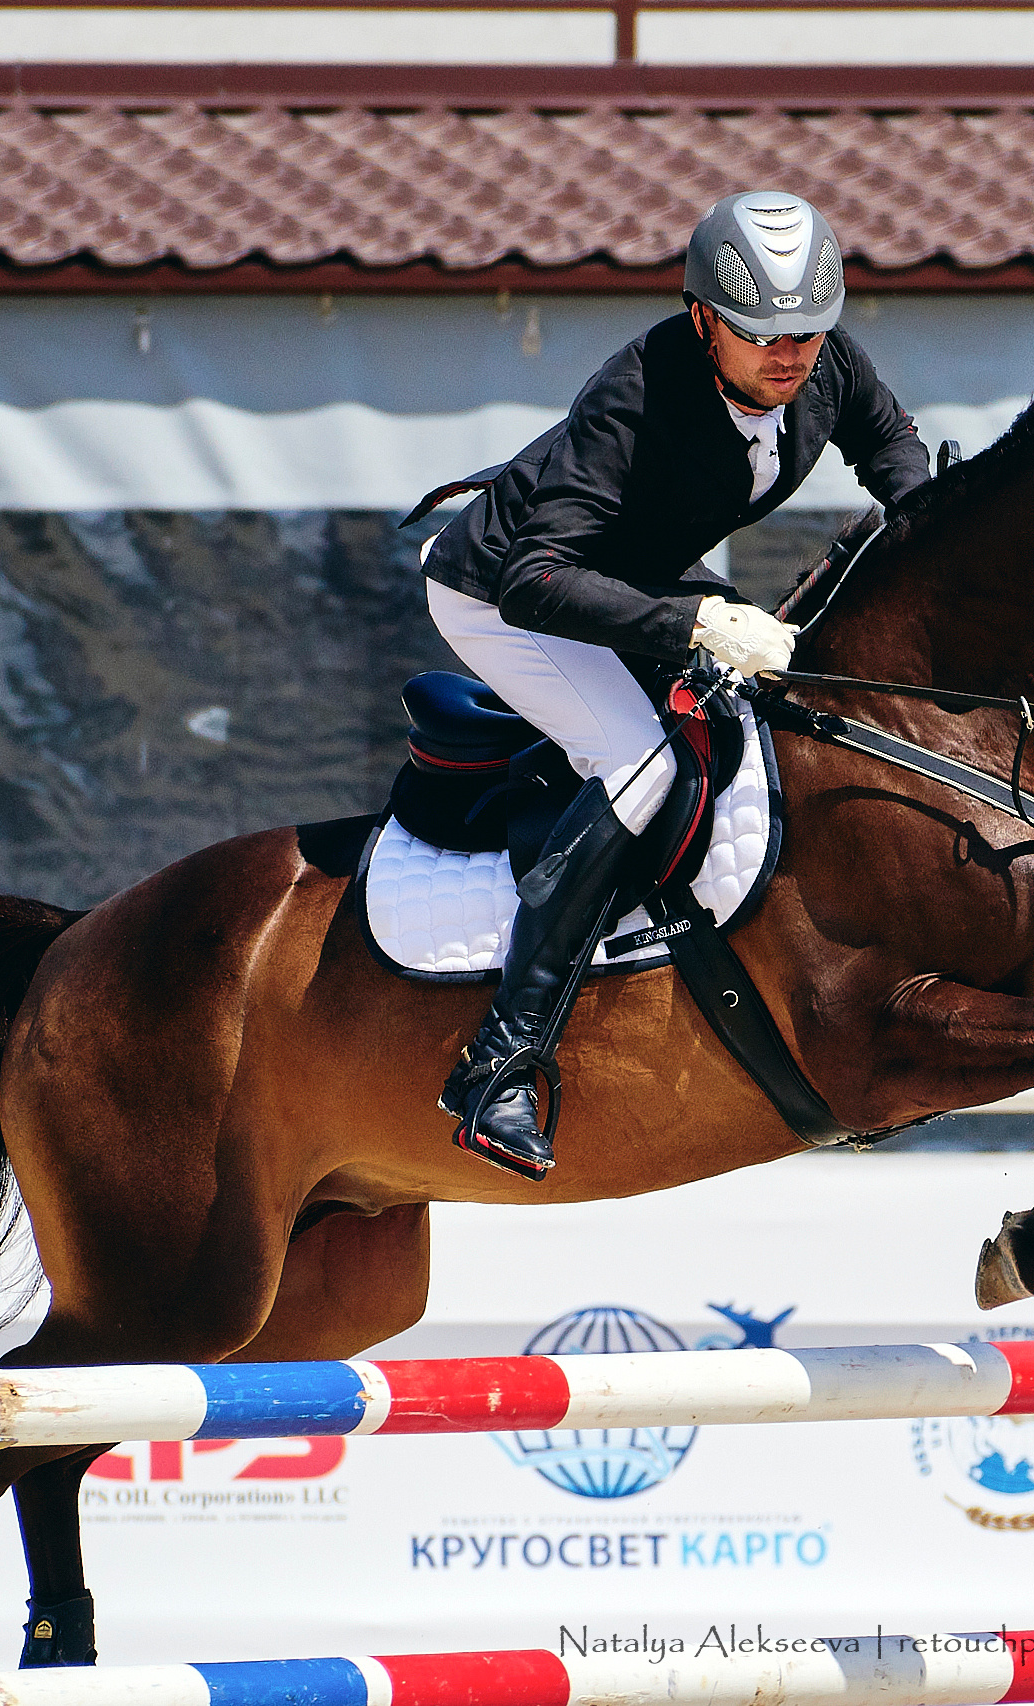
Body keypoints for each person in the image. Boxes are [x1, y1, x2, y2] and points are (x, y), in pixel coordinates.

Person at [414, 189, 932, 1182]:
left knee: (770, 718)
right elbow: (537, 578)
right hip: (501, 590)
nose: (787, 356)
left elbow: (894, 452)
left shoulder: (825, 368)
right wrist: (699, 620)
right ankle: (500, 1063)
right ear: (701, 318)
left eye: (806, 334)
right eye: (757, 334)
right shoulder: (635, 396)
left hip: (634, 574)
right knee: (641, 761)